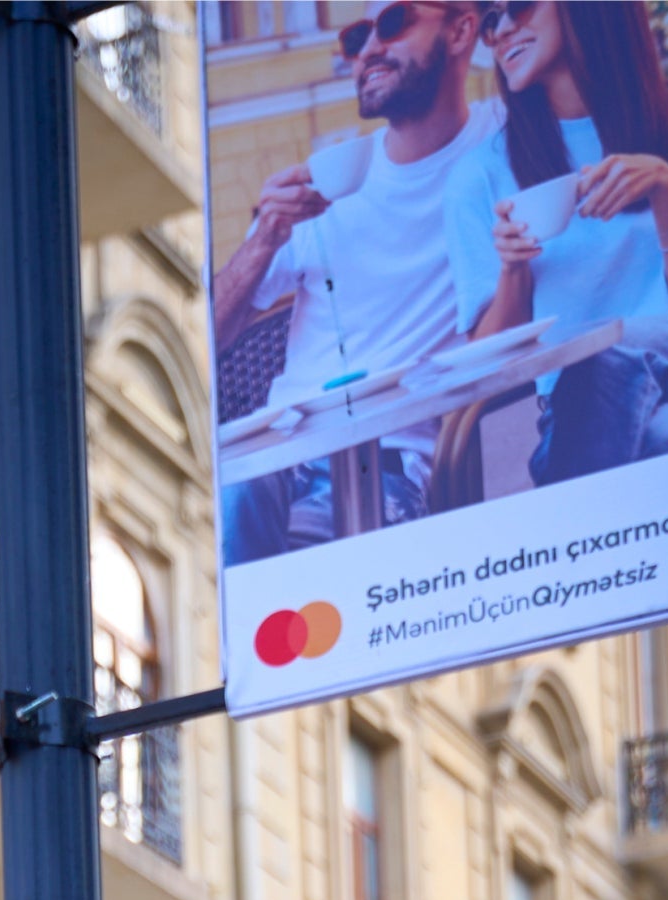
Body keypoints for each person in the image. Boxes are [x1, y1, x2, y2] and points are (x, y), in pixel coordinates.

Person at [211, 0, 499, 559]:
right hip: (276, 457)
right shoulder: (328, 180)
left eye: (393, 24)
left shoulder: (501, 145)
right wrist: (264, 237)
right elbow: (210, 338)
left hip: (392, 462)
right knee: (221, 522)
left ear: (463, 30)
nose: (368, 50)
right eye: (357, 36)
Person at [442, 0, 668, 490]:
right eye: (489, 19)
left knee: (600, 354)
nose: (501, 30)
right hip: (580, 419)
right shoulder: (478, 175)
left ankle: (565, 528)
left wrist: (667, 193)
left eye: (517, 6)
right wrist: (513, 271)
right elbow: (485, 367)